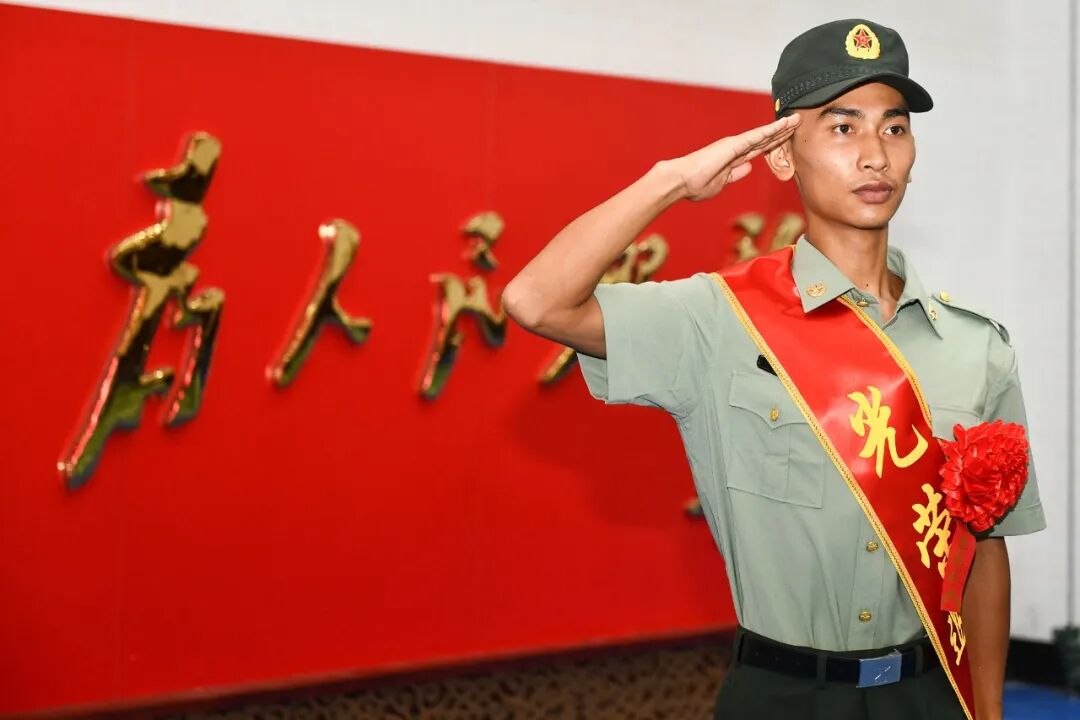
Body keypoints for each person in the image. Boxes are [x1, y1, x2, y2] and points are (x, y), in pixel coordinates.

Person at [503, 17, 1045, 720]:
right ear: (783, 155)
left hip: (927, 694)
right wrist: (672, 180)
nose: (875, 155)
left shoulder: (976, 346)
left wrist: (989, 710)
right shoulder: (718, 318)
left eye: (895, 127)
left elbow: (984, 548)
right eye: (843, 127)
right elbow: (535, 301)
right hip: (780, 695)